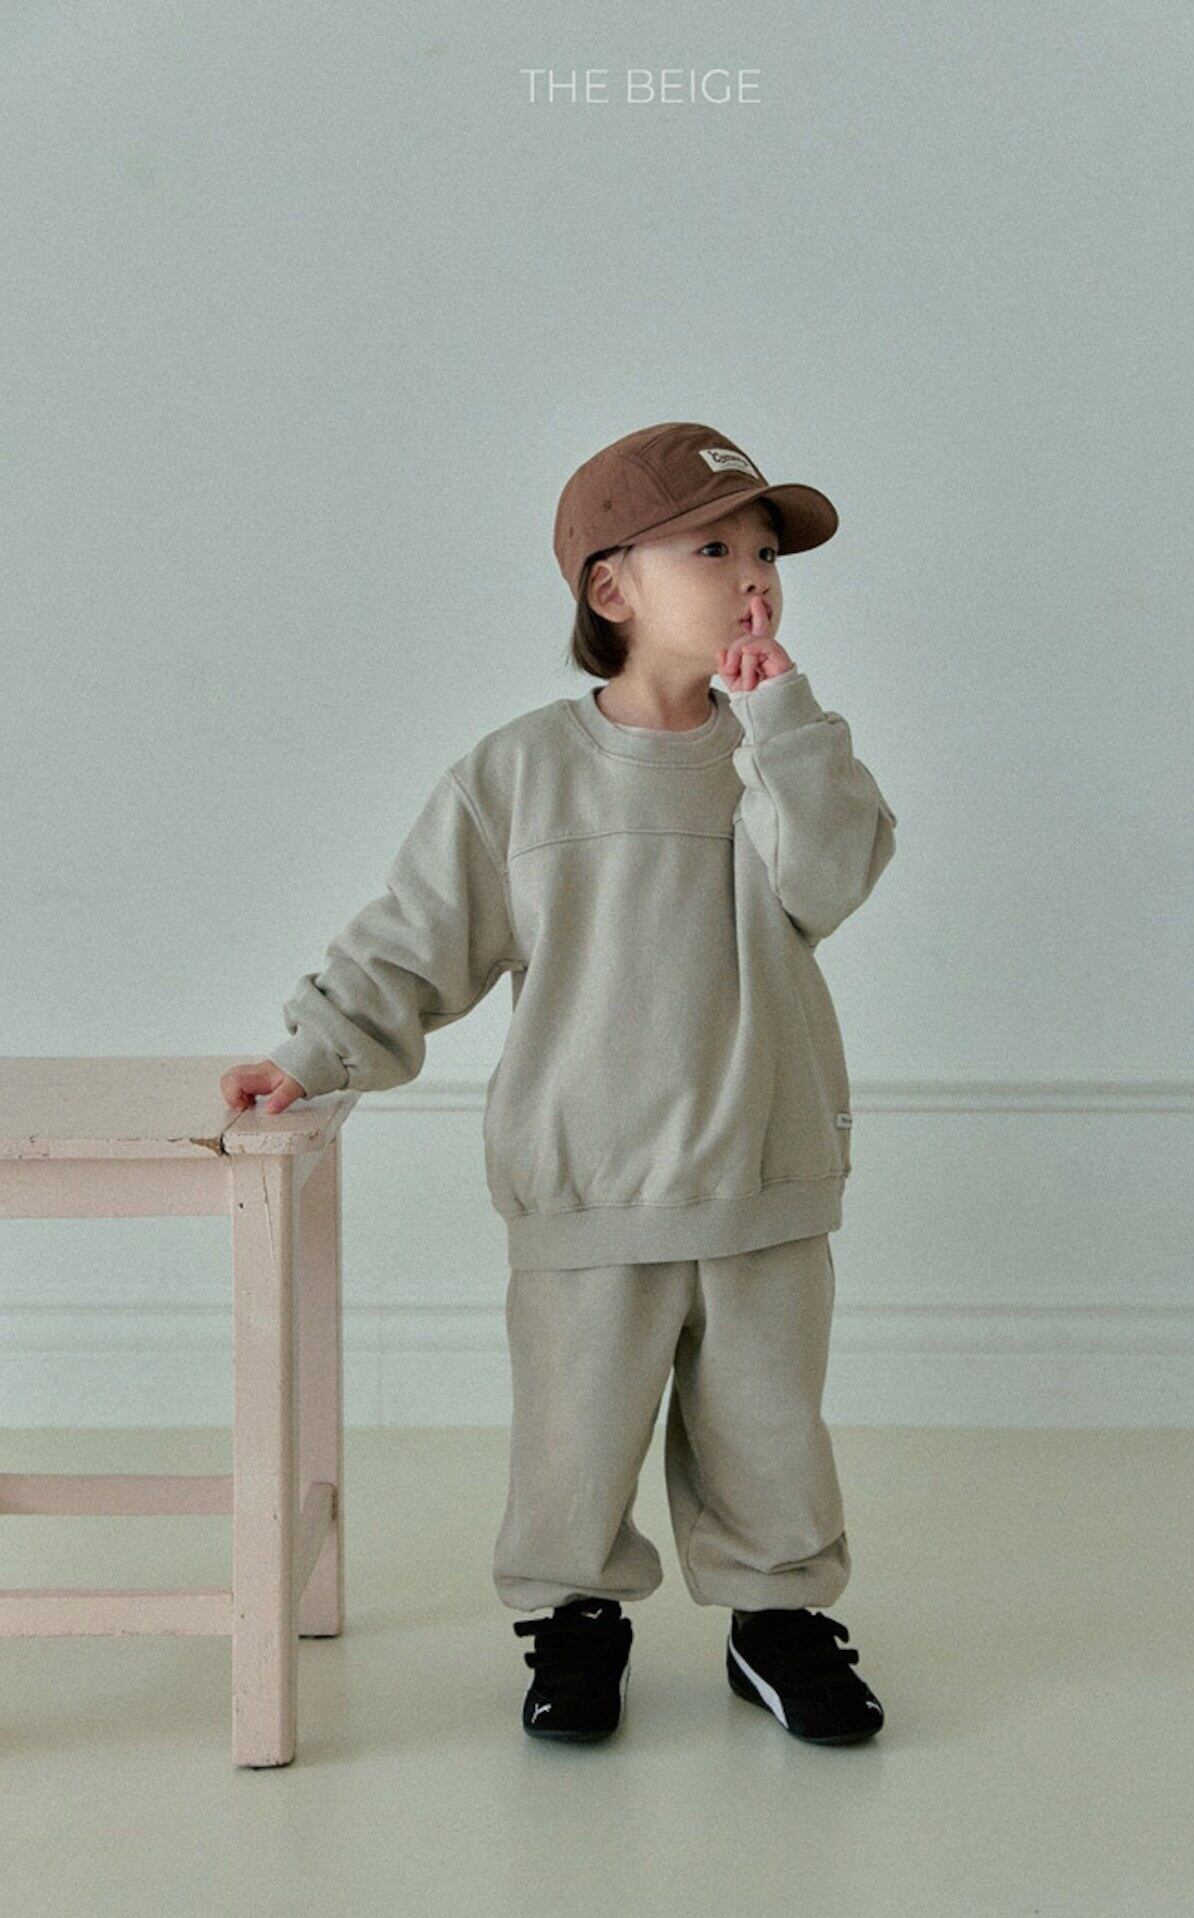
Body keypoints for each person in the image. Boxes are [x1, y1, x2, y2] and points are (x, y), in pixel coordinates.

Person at [220, 421, 898, 1747]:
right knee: (573, 1440)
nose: (755, 576)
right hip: (589, 1182)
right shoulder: (519, 775)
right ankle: (574, 1621)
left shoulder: (783, 755)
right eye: (714, 549)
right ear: (611, 587)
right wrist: (310, 1053)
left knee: (770, 1429)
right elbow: (414, 940)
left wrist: (787, 721)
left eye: (766, 551)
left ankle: (778, 1622)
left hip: (763, 1175)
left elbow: (831, 877)